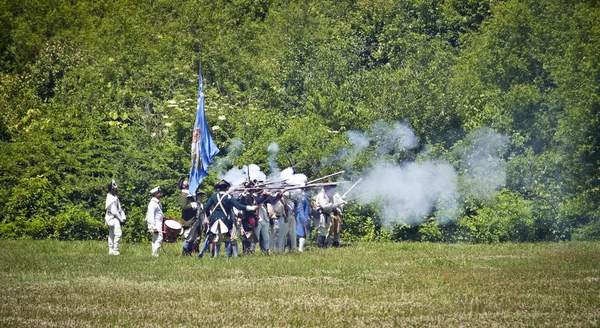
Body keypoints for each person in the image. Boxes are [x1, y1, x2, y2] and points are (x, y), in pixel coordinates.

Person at [198, 180, 256, 259]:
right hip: (224, 219)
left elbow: (207, 207)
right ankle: (228, 257)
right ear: (226, 188)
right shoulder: (228, 197)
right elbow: (238, 206)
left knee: (210, 236)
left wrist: (209, 216)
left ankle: (201, 253)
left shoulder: (214, 196)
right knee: (227, 238)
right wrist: (250, 207)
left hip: (214, 219)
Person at [179, 179, 201, 256]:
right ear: (183, 185)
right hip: (188, 220)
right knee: (188, 238)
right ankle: (184, 253)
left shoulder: (190, 194)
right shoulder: (183, 195)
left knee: (192, 238)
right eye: (185, 182)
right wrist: (193, 205)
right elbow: (184, 207)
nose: (187, 181)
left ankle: (189, 252)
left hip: (194, 219)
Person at [105, 179, 126, 255]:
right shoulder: (110, 198)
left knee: (111, 234)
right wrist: (120, 219)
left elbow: (119, 209)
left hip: (115, 217)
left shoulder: (115, 197)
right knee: (117, 233)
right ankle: (115, 249)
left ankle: (111, 249)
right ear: (112, 190)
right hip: (112, 218)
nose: (117, 190)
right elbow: (114, 211)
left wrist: (123, 216)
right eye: (115, 189)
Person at [146, 186, 164, 257]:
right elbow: (151, 216)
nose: (160, 194)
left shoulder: (157, 203)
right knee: (160, 238)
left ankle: (154, 253)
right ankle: (155, 253)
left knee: (155, 239)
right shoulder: (152, 203)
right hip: (155, 224)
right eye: (159, 193)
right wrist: (153, 227)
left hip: (159, 222)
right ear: (156, 194)